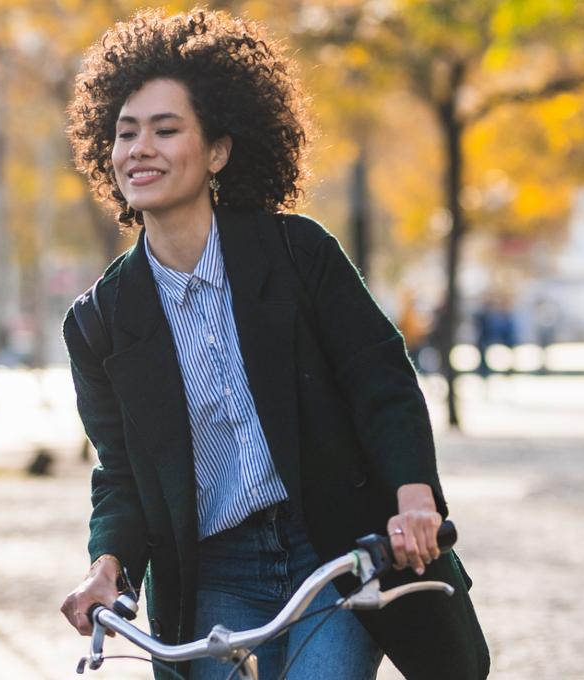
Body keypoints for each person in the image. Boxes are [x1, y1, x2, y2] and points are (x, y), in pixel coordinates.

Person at [57, 11, 487, 680]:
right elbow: (121, 474)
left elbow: (380, 380)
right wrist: (105, 567)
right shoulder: (101, 322)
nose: (140, 148)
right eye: (126, 132)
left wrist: (414, 500)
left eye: (166, 130)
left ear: (219, 151)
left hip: (334, 546)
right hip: (211, 570)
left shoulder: (298, 255)